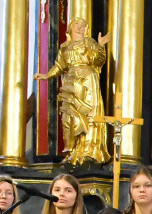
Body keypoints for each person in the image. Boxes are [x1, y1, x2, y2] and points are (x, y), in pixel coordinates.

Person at [34, 17, 111, 166]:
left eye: (83, 25)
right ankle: (74, 152)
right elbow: (59, 66)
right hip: (70, 81)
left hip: (88, 80)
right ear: (70, 27)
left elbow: (99, 61)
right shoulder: (65, 47)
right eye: (77, 24)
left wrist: (100, 46)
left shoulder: (90, 43)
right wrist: (46, 75)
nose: (80, 27)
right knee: (69, 117)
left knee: (89, 114)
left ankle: (89, 151)